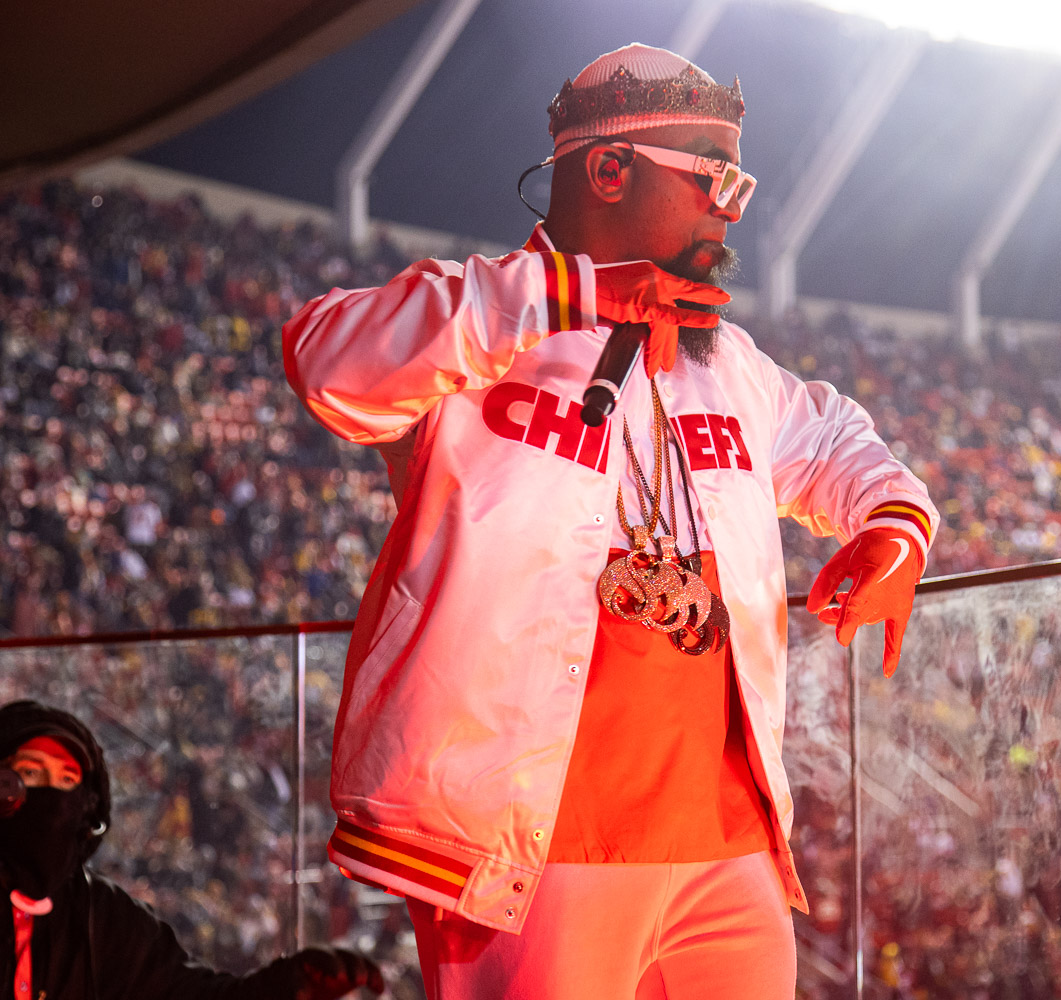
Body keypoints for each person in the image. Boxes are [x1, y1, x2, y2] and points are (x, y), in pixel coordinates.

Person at [282, 42, 938, 999]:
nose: (731, 209)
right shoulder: (480, 327)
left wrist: (890, 525)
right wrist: (568, 295)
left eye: (741, 184)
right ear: (607, 169)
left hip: (731, 845)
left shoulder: (728, 363)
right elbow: (327, 359)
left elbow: (838, 440)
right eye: (714, 177)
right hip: (531, 851)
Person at [0, 699, 385, 1000]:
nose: (51, 796)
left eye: (67, 780)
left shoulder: (106, 917)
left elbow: (190, 996)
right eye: (31, 773)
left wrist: (281, 988)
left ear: (88, 809)